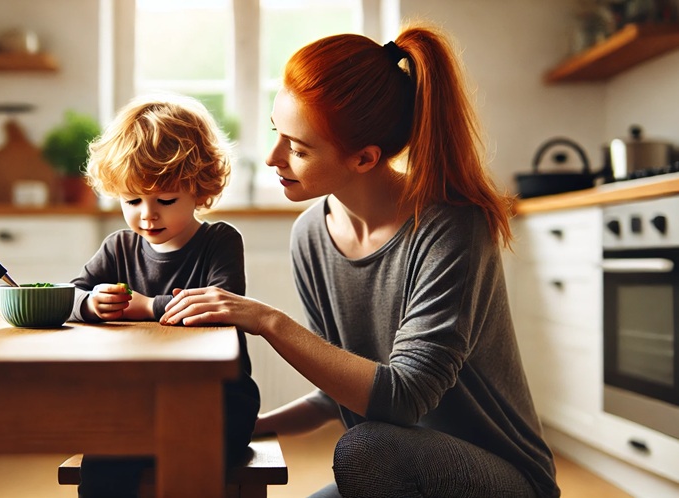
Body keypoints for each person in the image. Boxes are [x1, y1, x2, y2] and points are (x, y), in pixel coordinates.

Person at [160, 22, 561, 498]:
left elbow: (404, 397)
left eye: (298, 148)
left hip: (502, 479)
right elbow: (341, 390)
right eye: (276, 132)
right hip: (391, 470)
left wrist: (268, 320)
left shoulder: (454, 226)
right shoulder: (310, 233)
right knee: (362, 452)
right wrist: (250, 428)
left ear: (365, 159)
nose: (272, 157)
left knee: (361, 448)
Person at [69, 93, 260, 498]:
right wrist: (89, 303)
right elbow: (72, 293)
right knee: (101, 461)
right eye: (132, 200)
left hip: (219, 402)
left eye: (165, 200)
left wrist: (147, 306)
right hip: (136, 400)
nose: (147, 214)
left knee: (188, 461)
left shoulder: (221, 242)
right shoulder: (118, 248)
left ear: (201, 190)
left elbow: (218, 306)